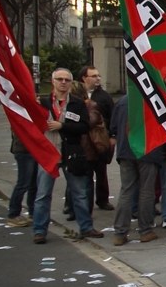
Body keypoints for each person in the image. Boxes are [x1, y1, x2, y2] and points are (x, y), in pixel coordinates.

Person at [31, 68, 98, 244]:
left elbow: (84, 127)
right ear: (52, 81)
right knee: (43, 193)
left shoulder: (77, 103)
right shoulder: (43, 102)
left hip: (71, 152)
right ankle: (39, 230)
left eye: (67, 80)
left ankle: (86, 227)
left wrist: (62, 126)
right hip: (48, 152)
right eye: (59, 79)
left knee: (79, 192)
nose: (63, 82)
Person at [109, 95, 160, 246]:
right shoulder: (153, 99)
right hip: (148, 150)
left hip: (126, 150)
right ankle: (145, 230)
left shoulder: (122, 102)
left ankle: (120, 232)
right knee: (146, 191)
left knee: (126, 190)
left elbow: (113, 127)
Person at [78, 65, 114, 210]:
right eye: (93, 76)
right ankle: (76, 203)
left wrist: (112, 136)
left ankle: (103, 199)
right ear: (84, 78)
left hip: (100, 138)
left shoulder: (104, 97)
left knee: (101, 171)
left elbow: (112, 116)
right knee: (81, 172)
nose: (98, 78)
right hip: (82, 139)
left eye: (98, 76)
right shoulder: (77, 95)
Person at [6, 132, 37, 227]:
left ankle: (33, 212)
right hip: (24, 149)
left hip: (32, 148)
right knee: (23, 184)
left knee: (33, 183)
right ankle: (13, 214)